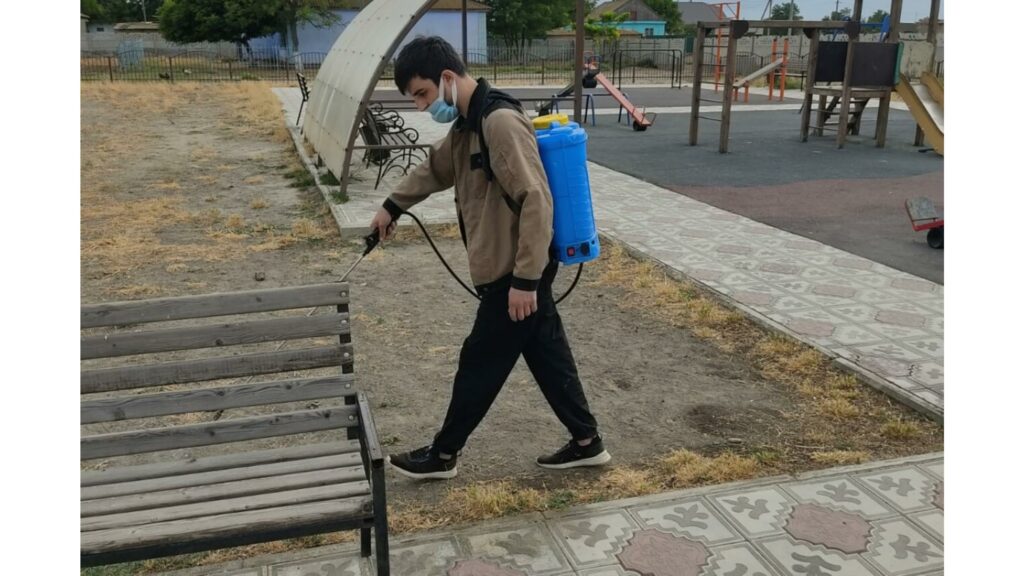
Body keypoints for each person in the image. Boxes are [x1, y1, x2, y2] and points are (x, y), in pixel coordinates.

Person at [369, 36, 609, 480]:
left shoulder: (499, 122)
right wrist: (392, 206)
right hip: (512, 269)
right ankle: (586, 441)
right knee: (547, 354)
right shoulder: (468, 124)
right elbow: (436, 168)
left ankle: (443, 454)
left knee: (479, 363)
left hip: (512, 272)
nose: (421, 106)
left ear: (446, 77)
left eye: (422, 93)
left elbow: (537, 200)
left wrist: (525, 281)